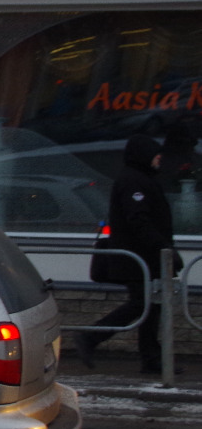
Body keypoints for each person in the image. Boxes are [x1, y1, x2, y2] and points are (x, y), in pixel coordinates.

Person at [77, 134, 172, 373]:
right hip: (138, 258)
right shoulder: (133, 182)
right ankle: (90, 337)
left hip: (148, 256)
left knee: (152, 306)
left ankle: (151, 359)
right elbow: (138, 220)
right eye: (155, 155)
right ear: (145, 156)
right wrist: (163, 247)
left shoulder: (142, 179)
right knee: (142, 304)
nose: (159, 159)